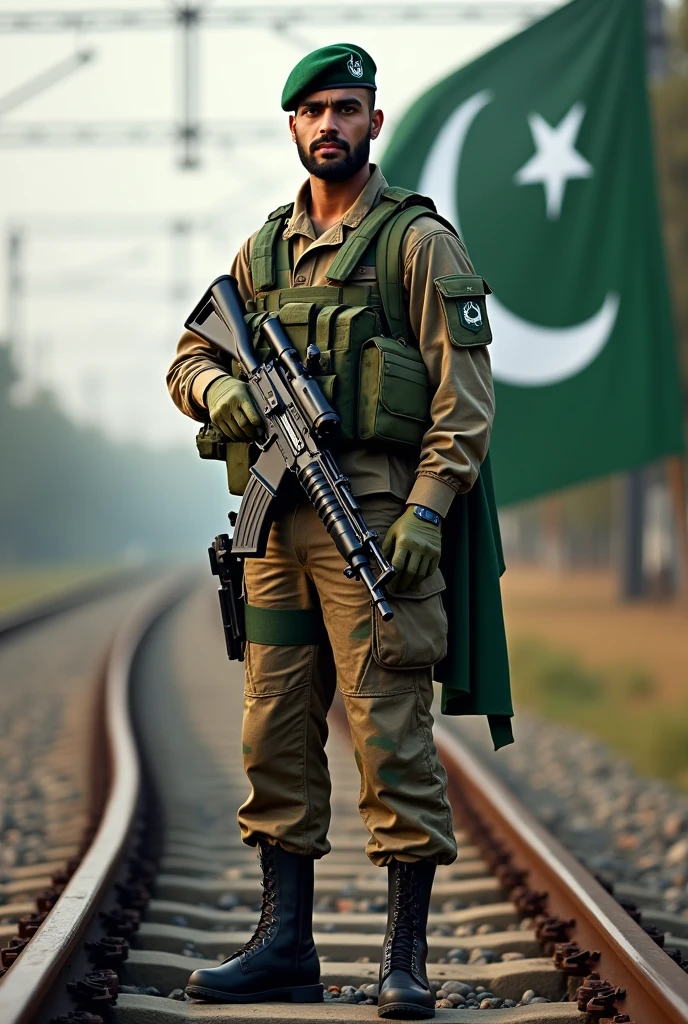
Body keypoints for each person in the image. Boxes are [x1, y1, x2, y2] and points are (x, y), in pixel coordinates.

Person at [167, 42, 512, 1021]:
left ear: (374, 121)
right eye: (314, 109)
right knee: (273, 730)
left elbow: (465, 405)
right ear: (292, 125)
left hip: (376, 522)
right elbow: (188, 356)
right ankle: (284, 946)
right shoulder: (260, 252)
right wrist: (224, 387)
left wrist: (427, 514)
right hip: (273, 535)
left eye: (347, 108)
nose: (330, 124)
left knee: (390, 737)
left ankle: (403, 958)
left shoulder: (416, 244)